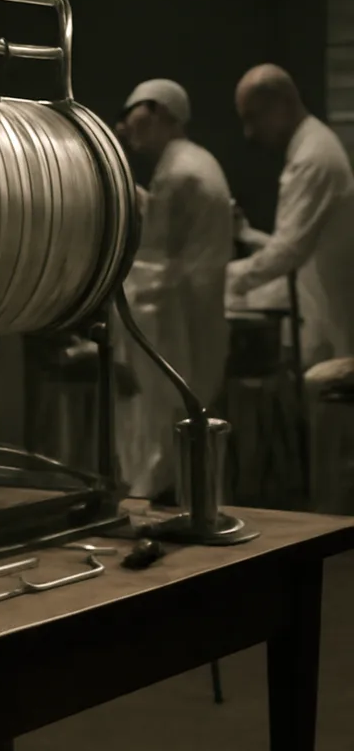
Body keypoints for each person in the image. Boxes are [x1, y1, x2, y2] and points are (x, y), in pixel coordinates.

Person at [115, 78, 234, 500]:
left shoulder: (178, 172)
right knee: (185, 423)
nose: (127, 125)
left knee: (162, 427)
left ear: (157, 112)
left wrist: (119, 326)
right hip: (195, 311)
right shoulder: (195, 162)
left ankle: (151, 504)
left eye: (134, 114)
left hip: (174, 317)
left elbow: (154, 262)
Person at [228, 63, 354, 365]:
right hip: (318, 310)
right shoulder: (312, 147)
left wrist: (225, 277)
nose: (249, 132)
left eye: (253, 118)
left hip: (325, 317)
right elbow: (301, 241)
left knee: (324, 408)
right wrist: (247, 234)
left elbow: (288, 252)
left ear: (281, 104)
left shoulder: (312, 158)